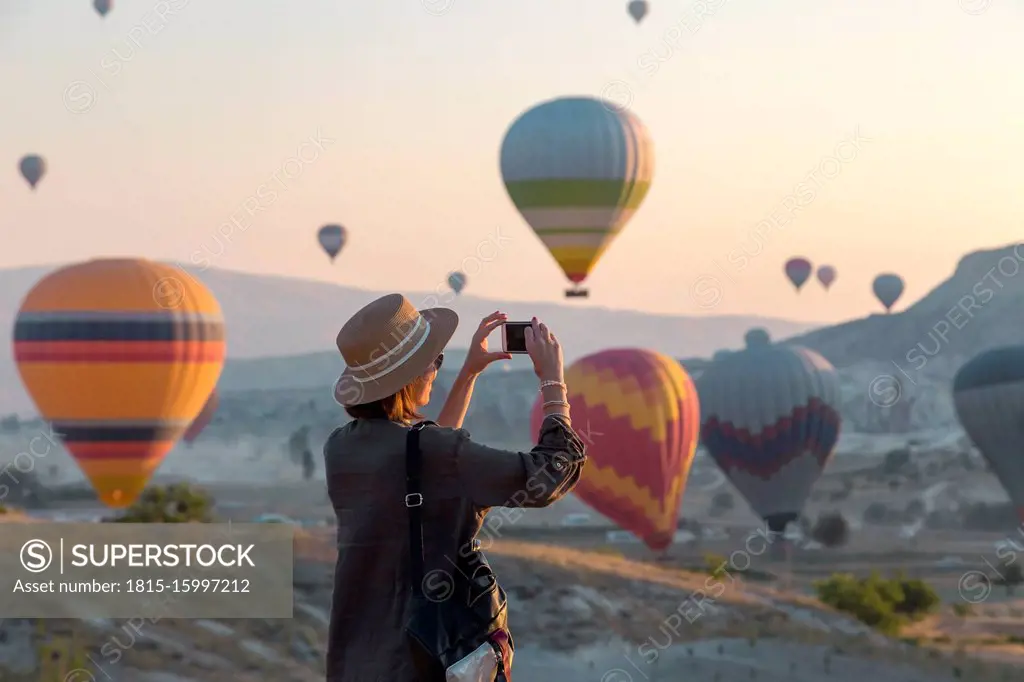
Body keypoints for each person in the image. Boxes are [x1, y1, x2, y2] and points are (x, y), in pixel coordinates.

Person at [323, 293, 586, 681]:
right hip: (426, 660)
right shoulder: (438, 454)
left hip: (356, 660)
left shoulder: (341, 448)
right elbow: (549, 474)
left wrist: (468, 374)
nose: (436, 372)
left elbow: (421, 461)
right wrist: (553, 385)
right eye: (435, 363)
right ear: (410, 378)